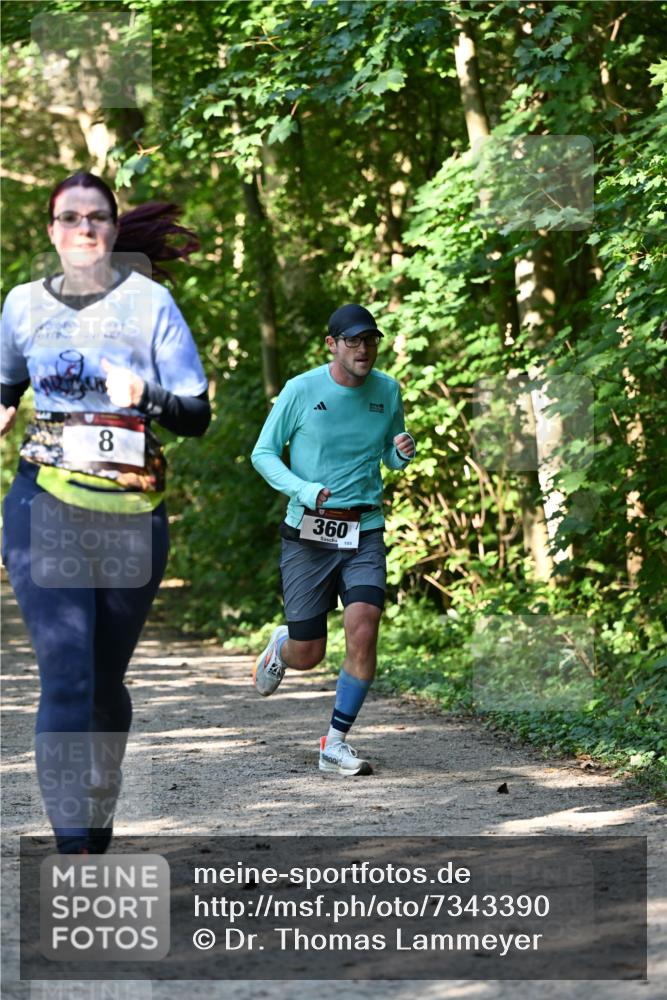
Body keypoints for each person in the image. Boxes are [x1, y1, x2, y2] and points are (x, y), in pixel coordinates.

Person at [1, 171, 211, 853]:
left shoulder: (151, 305)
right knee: (67, 673)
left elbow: (196, 415)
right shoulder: (22, 306)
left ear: (115, 232)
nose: (84, 228)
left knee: (104, 683)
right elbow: (5, 391)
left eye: (97, 218)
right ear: (52, 230)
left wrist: (146, 394)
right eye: (70, 218)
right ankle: (73, 853)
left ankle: (95, 807)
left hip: (132, 513)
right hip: (45, 503)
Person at [251, 303, 415, 776]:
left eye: (370, 341)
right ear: (332, 345)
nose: (364, 349)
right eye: (353, 341)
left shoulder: (388, 390)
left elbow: (389, 452)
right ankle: (283, 645)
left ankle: (335, 743)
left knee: (364, 629)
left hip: (363, 528)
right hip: (308, 532)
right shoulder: (302, 390)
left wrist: (402, 452)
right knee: (310, 653)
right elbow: (263, 454)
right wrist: (303, 490)